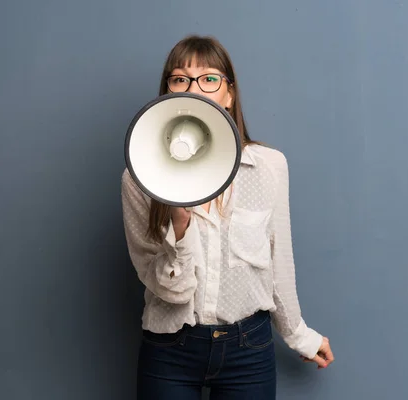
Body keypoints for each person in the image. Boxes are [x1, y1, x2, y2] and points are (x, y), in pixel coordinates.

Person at [120, 35, 334, 400]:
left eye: (209, 78)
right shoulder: (139, 179)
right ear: (168, 93)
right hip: (170, 348)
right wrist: (180, 226)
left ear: (229, 94)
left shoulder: (268, 167)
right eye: (180, 78)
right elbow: (167, 289)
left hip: (248, 350)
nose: (194, 88)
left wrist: (299, 334)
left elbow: (277, 262)